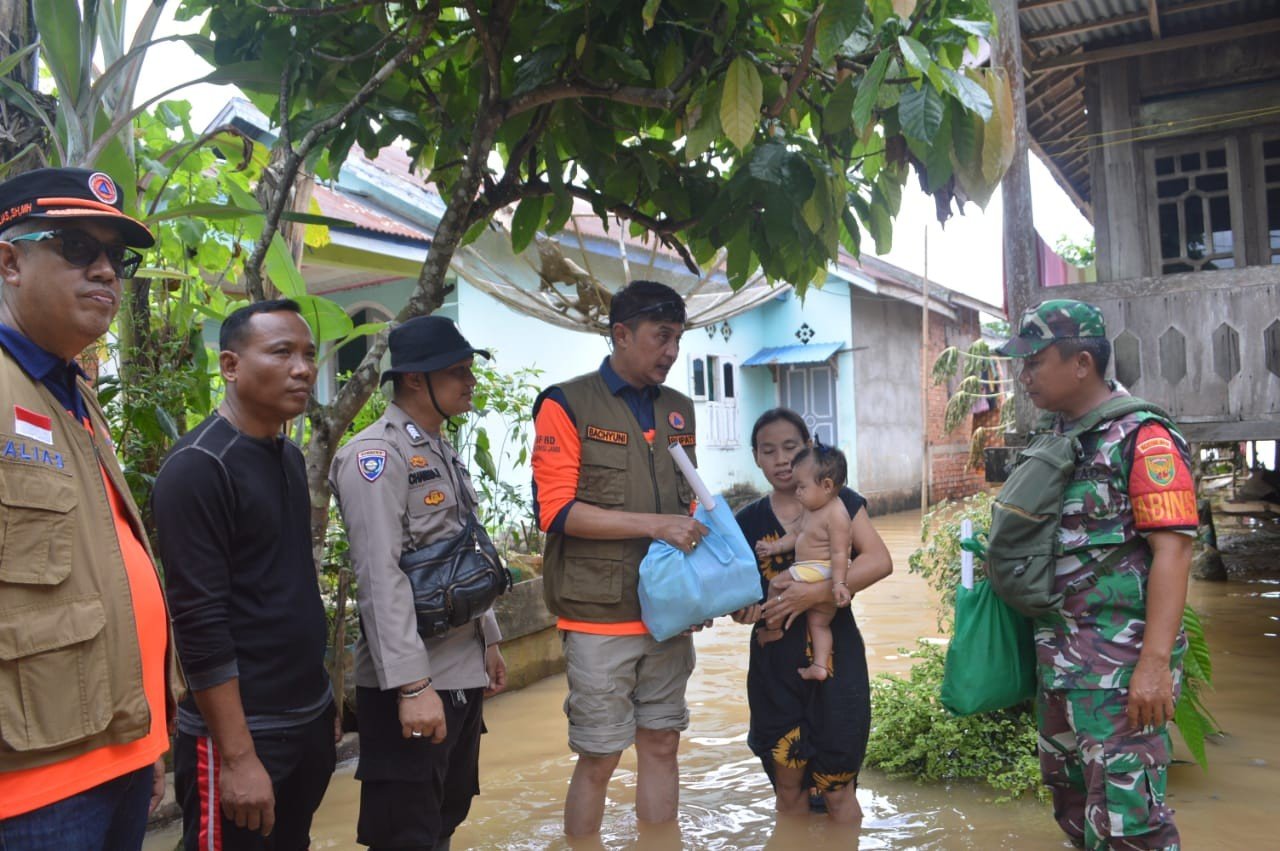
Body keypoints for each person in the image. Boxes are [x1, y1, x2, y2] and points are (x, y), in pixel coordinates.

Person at [0, 167, 179, 850]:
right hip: (31, 787)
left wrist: (146, 734)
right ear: (10, 263)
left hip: (120, 753)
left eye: (117, 258)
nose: (105, 270)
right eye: (77, 247)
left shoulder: (71, 392)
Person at [995, 299, 1195, 851]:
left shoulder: (1143, 438)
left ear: (1082, 363)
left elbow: (1174, 551)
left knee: (1133, 827)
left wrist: (1154, 664)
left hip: (1121, 671)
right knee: (1077, 813)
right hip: (1061, 664)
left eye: (1035, 360)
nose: (1025, 375)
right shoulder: (1057, 437)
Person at [153, 299, 337, 851]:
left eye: (308, 354)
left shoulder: (287, 456)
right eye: (281, 353)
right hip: (243, 735)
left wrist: (322, 700)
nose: (302, 369)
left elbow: (289, 585)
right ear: (231, 366)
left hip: (305, 716)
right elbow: (198, 621)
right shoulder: (199, 466)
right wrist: (236, 756)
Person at [531, 280, 708, 836]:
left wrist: (700, 592)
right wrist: (656, 525)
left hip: (669, 615)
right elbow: (556, 511)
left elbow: (691, 505)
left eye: (678, 339)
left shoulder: (679, 410)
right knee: (600, 755)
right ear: (622, 334)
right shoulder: (566, 403)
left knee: (662, 742)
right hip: (598, 615)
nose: (672, 352)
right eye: (661, 337)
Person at [331, 315, 506, 851]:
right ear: (413, 379)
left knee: (445, 818)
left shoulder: (440, 449)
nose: (469, 382)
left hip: (460, 671)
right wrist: (412, 687)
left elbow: (463, 550)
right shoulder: (374, 456)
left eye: (469, 370)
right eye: (457, 372)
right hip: (413, 683)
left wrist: (489, 639)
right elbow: (378, 577)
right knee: (405, 834)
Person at [732, 409, 892, 823]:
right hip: (774, 669)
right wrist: (741, 610)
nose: (781, 459)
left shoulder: (841, 502)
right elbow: (735, 596)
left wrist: (814, 594)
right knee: (788, 790)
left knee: (839, 788)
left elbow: (878, 561)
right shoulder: (746, 522)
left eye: (790, 447)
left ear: (808, 449)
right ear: (756, 457)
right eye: (768, 451)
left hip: (837, 663)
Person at [754, 445, 852, 681]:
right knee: (818, 623)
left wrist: (839, 583)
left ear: (827, 485)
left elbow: (840, 552)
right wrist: (775, 547)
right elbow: (797, 534)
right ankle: (819, 665)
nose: (796, 492)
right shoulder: (812, 508)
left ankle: (773, 630)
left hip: (820, 568)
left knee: (776, 584)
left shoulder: (836, 514)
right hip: (816, 571)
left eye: (801, 487)